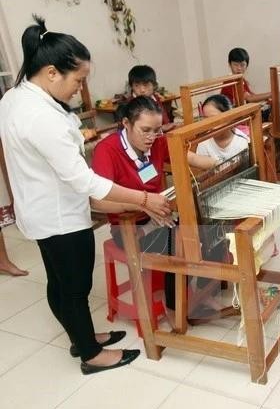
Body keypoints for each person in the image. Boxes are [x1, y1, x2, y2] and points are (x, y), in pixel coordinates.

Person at [0, 15, 171, 375]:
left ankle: (82, 336)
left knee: (59, 281)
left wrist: (80, 138)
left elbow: (45, 147)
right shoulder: (39, 116)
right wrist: (143, 199)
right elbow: (87, 182)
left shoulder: (15, 98)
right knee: (74, 287)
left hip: (39, 208)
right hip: (59, 215)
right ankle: (91, 354)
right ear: (50, 72)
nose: (80, 88)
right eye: (77, 80)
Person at [91, 96, 217, 320]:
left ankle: (198, 291)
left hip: (160, 217)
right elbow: (97, 201)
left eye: (157, 130)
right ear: (126, 124)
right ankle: (175, 308)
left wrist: (229, 155)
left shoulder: (159, 142)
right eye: (145, 130)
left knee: (205, 227)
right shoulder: (107, 150)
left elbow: (195, 159)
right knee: (179, 241)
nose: (152, 137)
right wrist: (142, 202)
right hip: (128, 227)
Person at [221, 48, 271, 120]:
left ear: (247, 66)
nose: (239, 68)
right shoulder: (230, 81)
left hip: (240, 114)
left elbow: (251, 95)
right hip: (232, 119)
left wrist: (266, 98)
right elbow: (249, 99)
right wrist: (272, 93)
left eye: (242, 65)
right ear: (229, 64)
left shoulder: (241, 80)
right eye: (235, 65)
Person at [196, 94, 249, 161]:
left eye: (214, 119)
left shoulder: (242, 142)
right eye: (206, 119)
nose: (210, 125)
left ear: (229, 117)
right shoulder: (204, 142)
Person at [127, 64, 176, 132]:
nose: (142, 90)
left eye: (146, 85)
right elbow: (137, 132)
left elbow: (165, 121)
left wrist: (169, 126)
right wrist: (161, 129)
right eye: (136, 86)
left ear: (154, 85)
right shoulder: (130, 104)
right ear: (131, 87)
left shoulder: (155, 98)